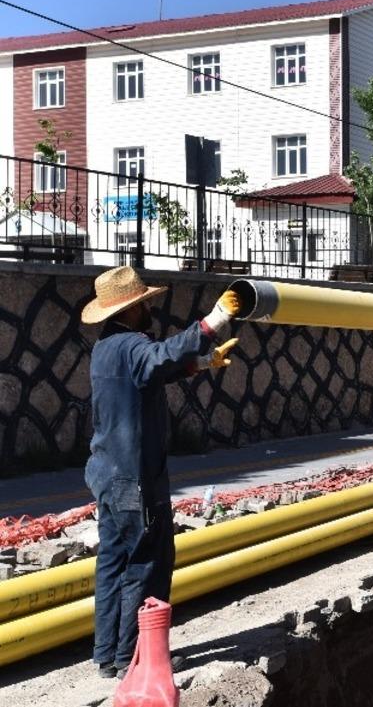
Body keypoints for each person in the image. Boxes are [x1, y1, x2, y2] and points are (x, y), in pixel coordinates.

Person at [82, 266, 239, 679]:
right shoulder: (134, 345)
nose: (149, 307)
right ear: (131, 310)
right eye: (144, 303)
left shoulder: (106, 347)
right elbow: (159, 356)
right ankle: (136, 659)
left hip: (107, 473)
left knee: (113, 564)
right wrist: (213, 322)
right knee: (148, 563)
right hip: (135, 476)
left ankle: (109, 656)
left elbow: (150, 372)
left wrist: (200, 364)